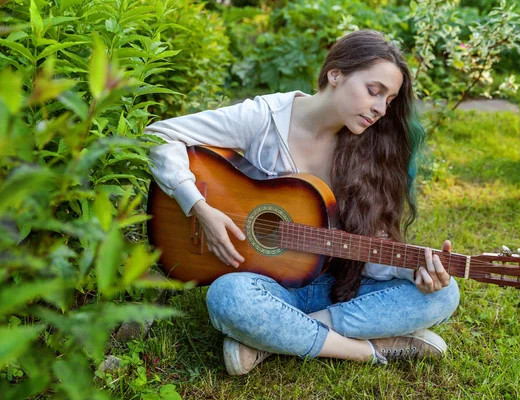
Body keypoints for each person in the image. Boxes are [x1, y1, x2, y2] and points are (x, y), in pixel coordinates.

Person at [146, 30, 460, 376]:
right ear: (335, 74)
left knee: (444, 294)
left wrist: (413, 268)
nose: (380, 109)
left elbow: (370, 250)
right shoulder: (265, 118)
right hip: (266, 282)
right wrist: (199, 207)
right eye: (374, 91)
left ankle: (273, 337)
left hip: (336, 286)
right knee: (228, 297)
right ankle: (368, 351)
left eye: (389, 100)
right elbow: (159, 135)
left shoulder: (373, 149)